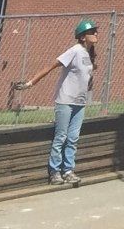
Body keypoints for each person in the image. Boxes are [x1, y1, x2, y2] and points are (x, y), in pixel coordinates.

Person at [17, 18, 99, 186]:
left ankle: (68, 170)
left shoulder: (89, 55)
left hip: (80, 102)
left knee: (73, 138)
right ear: (83, 37)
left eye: (96, 31)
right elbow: (51, 66)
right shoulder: (74, 50)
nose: (96, 34)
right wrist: (30, 83)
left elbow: (86, 77)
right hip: (66, 100)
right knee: (61, 136)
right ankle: (55, 172)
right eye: (92, 32)